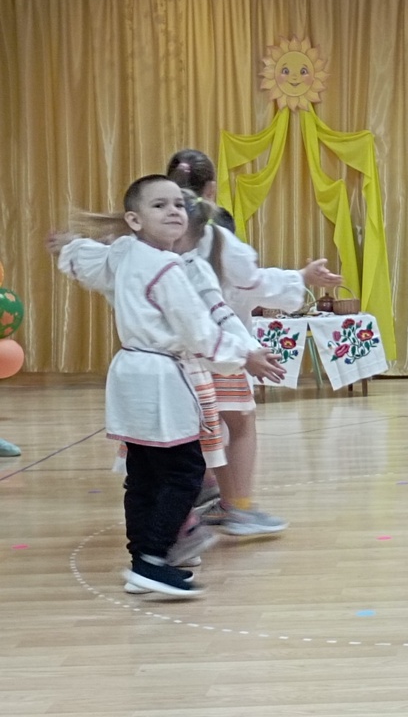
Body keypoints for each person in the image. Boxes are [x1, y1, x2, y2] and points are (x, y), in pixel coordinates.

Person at [50, 174, 284, 596]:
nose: (173, 211)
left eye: (178, 204)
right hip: (159, 378)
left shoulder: (127, 254)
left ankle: (144, 559)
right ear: (134, 219)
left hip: (130, 374)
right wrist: (245, 355)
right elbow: (199, 332)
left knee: (143, 474)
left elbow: (93, 260)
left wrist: (69, 247)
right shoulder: (164, 268)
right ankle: (154, 559)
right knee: (184, 472)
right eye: (159, 205)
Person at [167, 149, 343, 535]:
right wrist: (301, 277)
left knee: (197, 426)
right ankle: (237, 507)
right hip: (218, 347)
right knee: (240, 421)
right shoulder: (213, 236)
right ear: (212, 189)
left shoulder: (153, 235)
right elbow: (250, 284)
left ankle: (203, 495)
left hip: (174, 354)